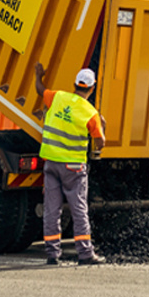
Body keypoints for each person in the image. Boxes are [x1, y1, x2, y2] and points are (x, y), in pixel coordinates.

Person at [35, 62, 106, 265]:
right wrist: (103, 127)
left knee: (51, 210)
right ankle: (85, 254)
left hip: (51, 164)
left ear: (74, 84)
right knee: (78, 210)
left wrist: (38, 75)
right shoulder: (89, 112)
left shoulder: (57, 97)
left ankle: (52, 254)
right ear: (91, 89)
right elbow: (100, 143)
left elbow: (40, 90)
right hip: (73, 168)